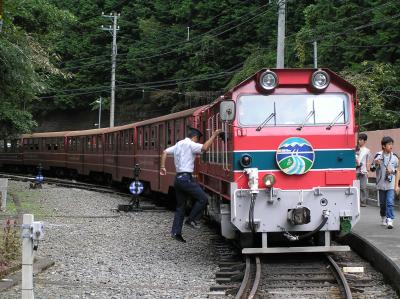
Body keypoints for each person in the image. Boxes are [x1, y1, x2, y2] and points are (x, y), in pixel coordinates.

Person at [160, 127, 222, 243]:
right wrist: (214, 135)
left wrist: (163, 167)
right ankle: (191, 220)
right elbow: (204, 148)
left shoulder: (179, 144)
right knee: (203, 198)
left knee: (180, 207)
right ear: (195, 137)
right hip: (185, 178)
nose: (197, 142)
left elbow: (164, 152)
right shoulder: (190, 144)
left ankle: (176, 232)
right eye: (197, 140)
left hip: (178, 178)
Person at [370, 136, 399, 229]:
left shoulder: (395, 157)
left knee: (390, 202)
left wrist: (392, 171)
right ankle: (383, 217)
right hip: (381, 184)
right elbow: (371, 169)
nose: (391, 146)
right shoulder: (378, 155)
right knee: (382, 204)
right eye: (389, 144)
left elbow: (398, 170)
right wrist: (375, 163)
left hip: (390, 184)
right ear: (383, 146)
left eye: (392, 144)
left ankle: (390, 220)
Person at [356, 133, 371, 207]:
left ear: (365, 141)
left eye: (361, 140)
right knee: (355, 186)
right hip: (355, 170)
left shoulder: (367, 150)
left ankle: (363, 201)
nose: (359, 141)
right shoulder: (355, 149)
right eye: (359, 139)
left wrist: (367, 171)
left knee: (363, 187)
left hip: (363, 170)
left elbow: (368, 161)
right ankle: (356, 201)